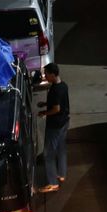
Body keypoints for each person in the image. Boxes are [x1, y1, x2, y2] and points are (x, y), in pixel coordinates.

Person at [38, 63, 70, 192]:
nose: (45, 76)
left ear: (52, 74)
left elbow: (56, 108)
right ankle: (62, 174)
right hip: (64, 122)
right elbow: (59, 102)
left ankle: (52, 183)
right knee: (61, 149)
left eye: (46, 74)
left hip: (55, 125)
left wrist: (44, 113)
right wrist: (46, 103)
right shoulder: (63, 85)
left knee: (49, 154)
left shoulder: (54, 90)